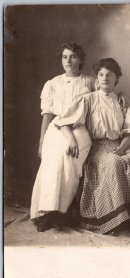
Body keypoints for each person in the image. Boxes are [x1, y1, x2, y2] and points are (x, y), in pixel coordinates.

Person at [54, 57, 130, 235]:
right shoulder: (88, 99)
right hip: (98, 146)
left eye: (109, 75)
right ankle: (116, 219)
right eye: (101, 74)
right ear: (97, 78)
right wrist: (71, 140)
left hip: (121, 143)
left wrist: (122, 148)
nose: (104, 78)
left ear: (116, 78)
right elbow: (63, 121)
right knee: (113, 163)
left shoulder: (122, 102)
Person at [30, 42, 95, 232]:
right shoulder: (53, 83)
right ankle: (48, 212)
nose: (69, 60)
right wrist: (42, 141)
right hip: (56, 128)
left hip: (80, 129)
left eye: (73, 56)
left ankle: (65, 209)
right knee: (55, 156)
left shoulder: (90, 81)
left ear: (80, 59)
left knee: (69, 156)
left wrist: (122, 95)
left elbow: (107, 93)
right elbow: (48, 115)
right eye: (65, 56)